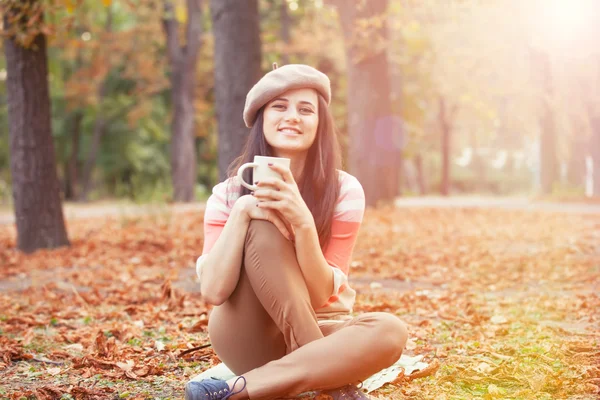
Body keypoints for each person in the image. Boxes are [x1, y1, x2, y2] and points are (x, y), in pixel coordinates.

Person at [186, 64, 408, 400]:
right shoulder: (228, 195)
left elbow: (322, 296)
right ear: (262, 118)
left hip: (321, 323)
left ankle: (236, 390)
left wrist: (303, 223)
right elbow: (214, 291)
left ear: (320, 124)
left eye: (306, 109)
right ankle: (330, 380)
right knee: (261, 222)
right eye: (280, 106)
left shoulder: (344, 191)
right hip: (249, 332)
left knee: (391, 331)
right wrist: (244, 213)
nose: (293, 117)